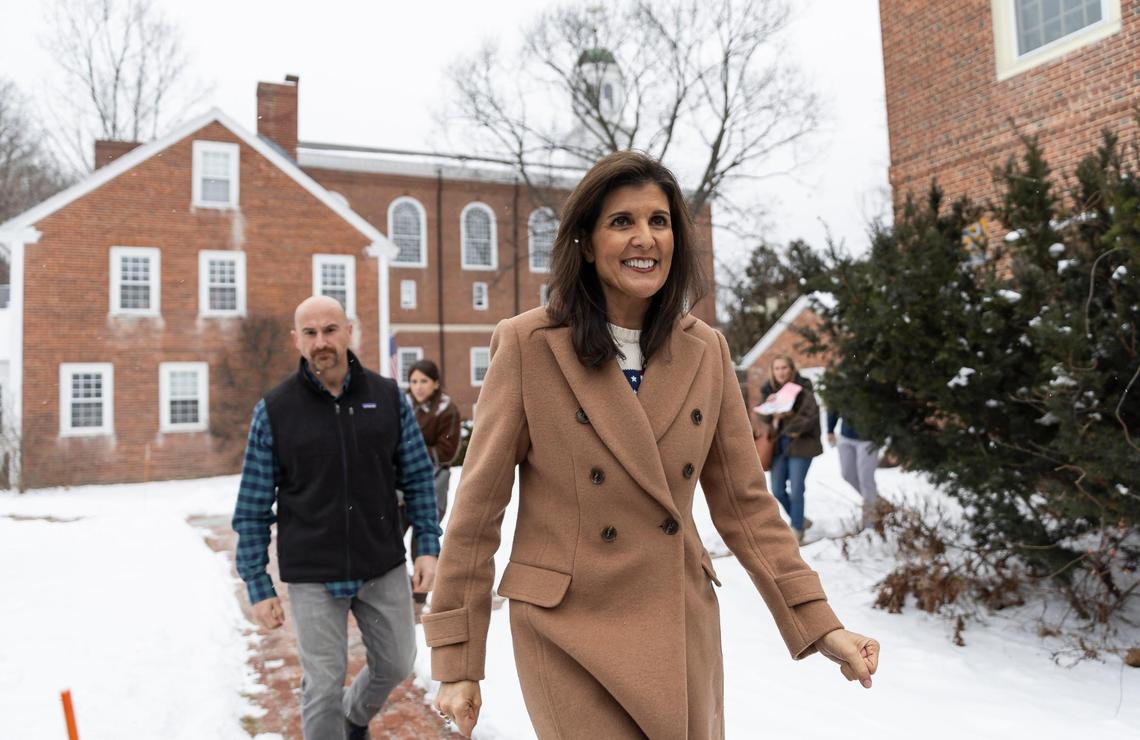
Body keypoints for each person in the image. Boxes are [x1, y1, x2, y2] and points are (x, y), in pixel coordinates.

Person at [424, 151, 879, 738]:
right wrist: (459, 660)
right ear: (586, 242)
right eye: (622, 222)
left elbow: (747, 506)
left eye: (659, 221)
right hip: (566, 630)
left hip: (678, 622)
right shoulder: (528, 344)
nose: (646, 238)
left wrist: (820, 624)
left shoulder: (706, 350)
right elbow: (478, 511)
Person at [232, 295, 442, 740]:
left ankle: (353, 717)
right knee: (322, 686)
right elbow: (251, 507)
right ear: (296, 340)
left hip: (380, 561)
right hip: (313, 573)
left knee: (397, 663)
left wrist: (426, 544)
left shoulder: (387, 398)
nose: (321, 341)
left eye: (330, 329)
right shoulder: (274, 411)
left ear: (349, 330)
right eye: (310, 333)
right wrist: (258, 584)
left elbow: (420, 477)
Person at [756, 356, 824, 543]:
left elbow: (809, 416)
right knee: (777, 489)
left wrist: (788, 416)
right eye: (777, 368)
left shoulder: (803, 387)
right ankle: (799, 518)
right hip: (778, 445)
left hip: (801, 444)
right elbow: (762, 415)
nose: (781, 372)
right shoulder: (768, 389)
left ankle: (797, 529)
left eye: (784, 367)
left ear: (791, 369)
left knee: (796, 488)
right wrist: (772, 410)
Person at [405, 359, 461, 523]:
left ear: (436, 384)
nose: (418, 387)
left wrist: (409, 450)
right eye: (414, 381)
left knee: (424, 544)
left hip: (432, 484)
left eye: (424, 381)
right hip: (400, 485)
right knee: (389, 543)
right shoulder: (402, 406)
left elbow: (446, 453)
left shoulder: (447, 410)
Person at [826, 409, 881, 529]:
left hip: (868, 438)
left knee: (866, 479)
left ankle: (869, 525)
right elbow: (834, 402)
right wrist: (830, 429)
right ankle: (878, 502)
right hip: (846, 436)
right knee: (847, 474)